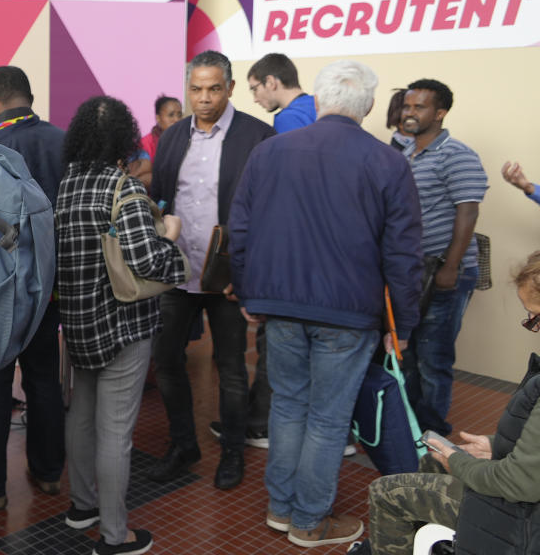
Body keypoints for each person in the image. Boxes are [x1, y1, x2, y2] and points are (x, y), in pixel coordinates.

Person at [228, 60, 423, 548]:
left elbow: (241, 230)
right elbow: (403, 255)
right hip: (349, 314)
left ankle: (280, 508)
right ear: (370, 107)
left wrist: (248, 290)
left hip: (279, 305)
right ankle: (309, 521)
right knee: (328, 418)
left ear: (317, 101)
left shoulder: (270, 152)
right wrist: (403, 324)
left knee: (287, 408)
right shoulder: (388, 163)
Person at [56, 95, 187, 555]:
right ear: (123, 139)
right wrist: (170, 237)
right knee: (115, 434)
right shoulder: (124, 188)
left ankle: (81, 507)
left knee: (81, 418)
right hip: (121, 327)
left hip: (77, 323)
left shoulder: (66, 184)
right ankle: (114, 537)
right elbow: (148, 260)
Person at [347, 251, 540, 555]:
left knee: (386, 492)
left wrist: (460, 462)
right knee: (429, 460)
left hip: (526, 522)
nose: (531, 327)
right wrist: (496, 445)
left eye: (536, 317)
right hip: (527, 497)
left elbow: (519, 482)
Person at [148, 50, 275, 489]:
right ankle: (184, 444)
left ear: (231, 89)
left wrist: (249, 274)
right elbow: (161, 201)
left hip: (229, 278)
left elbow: (269, 212)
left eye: (214, 89)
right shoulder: (173, 136)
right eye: (196, 89)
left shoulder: (259, 136)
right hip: (177, 274)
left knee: (232, 369)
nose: (204, 98)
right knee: (165, 360)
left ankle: (233, 454)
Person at [0, 65, 66, 509]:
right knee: (45, 380)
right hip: (50, 290)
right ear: (30, 97)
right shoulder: (63, 141)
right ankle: (48, 473)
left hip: (0, 292)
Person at [400, 79, 488, 437]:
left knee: (433, 360)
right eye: (407, 106)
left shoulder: (458, 154)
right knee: (407, 357)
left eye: (419, 107)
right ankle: (406, 425)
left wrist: (451, 267)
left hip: (444, 272)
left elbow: (468, 212)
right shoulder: (406, 153)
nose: (409, 113)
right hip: (412, 273)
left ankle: (431, 434)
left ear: (440, 113)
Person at [246, 52, 316, 133]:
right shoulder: (323, 106)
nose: (255, 100)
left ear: (270, 82)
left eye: (254, 89)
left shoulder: (288, 118)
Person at [140, 95, 181, 162]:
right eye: (171, 115)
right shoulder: (145, 144)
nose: (177, 120)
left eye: (179, 115)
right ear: (158, 118)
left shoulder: (186, 141)